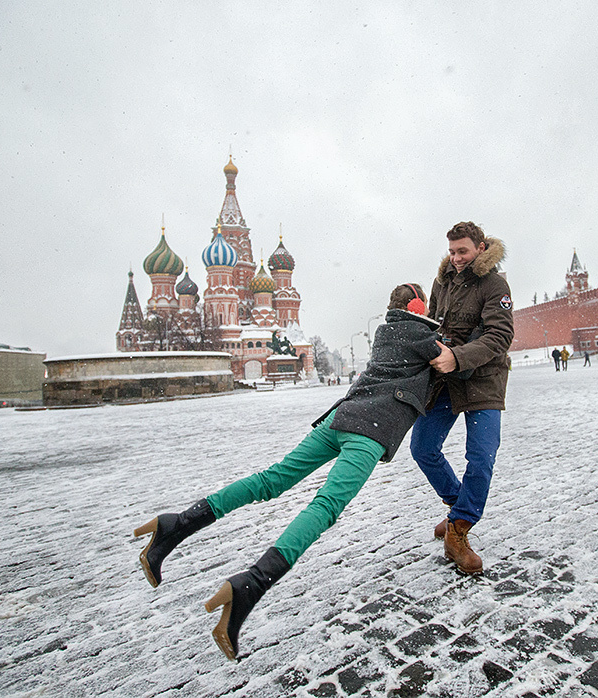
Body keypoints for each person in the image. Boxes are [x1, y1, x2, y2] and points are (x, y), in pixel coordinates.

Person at [133, 284, 441, 662]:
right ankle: (252, 583)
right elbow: (457, 361)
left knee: (272, 480)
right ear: (416, 307)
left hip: (338, 419)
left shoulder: (384, 332)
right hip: (370, 431)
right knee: (325, 506)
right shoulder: (425, 339)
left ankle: (178, 524)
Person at [410, 221, 514, 575]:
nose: (455, 258)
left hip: (483, 379)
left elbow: (500, 336)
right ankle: (458, 506)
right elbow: (434, 326)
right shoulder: (443, 281)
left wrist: (459, 356)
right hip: (446, 378)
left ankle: (459, 529)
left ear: (480, 248)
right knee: (423, 448)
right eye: (452, 251)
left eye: (463, 251)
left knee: (481, 457)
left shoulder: (495, 284)